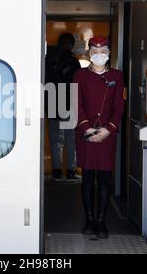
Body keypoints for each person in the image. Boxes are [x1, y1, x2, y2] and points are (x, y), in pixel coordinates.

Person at [73, 36, 125, 238]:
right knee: (87, 178)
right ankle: (89, 220)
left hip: (107, 136)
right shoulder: (79, 75)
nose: (99, 55)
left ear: (109, 53)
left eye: (103, 51)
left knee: (104, 179)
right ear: (89, 54)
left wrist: (107, 130)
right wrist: (87, 129)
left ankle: (101, 222)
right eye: (95, 51)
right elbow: (76, 103)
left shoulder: (117, 76)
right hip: (85, 134)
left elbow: (119, 107)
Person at [45, 33, 81, 181]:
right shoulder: (74, 62)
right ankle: (71, 171)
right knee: (70, 139)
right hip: (69, 103)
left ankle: (57, 172)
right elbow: (79, 84)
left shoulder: (49, 60)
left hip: (54, 101)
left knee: (56, 140)